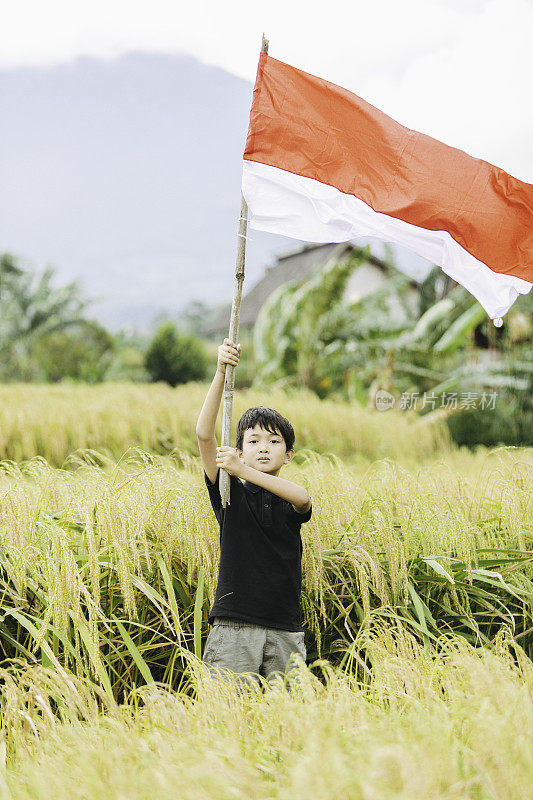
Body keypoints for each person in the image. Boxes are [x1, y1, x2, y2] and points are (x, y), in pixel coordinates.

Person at [195, 337, 312, 694]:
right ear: (239, 450)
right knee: (227, 717)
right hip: (234, 625)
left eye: (274, 442)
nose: (264, 447)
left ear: (289, 455)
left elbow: (304, 498)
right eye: (254, 441)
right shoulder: (229, 494)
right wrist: (220, 372)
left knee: (288, 720)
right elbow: (203, 434)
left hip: (284, 628)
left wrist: (241, 469)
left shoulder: (287, 500)